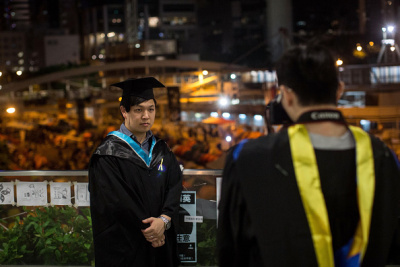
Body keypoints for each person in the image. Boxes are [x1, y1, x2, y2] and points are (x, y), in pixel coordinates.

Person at [217, 44, 400, 267]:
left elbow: (231, 251)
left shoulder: (248, 159)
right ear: (339, 90)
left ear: (287, 96)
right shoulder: (383, 157)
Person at [88, 77, 183, 267]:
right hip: (126, 245)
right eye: (138, 110)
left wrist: (163, 221)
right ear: (124, 111)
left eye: (151, 109)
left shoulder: (162, 150)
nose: (146, 116)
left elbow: (174, 185)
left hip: (161, 240)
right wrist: (152, 231)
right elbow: (116, 201)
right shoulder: (108, 153)